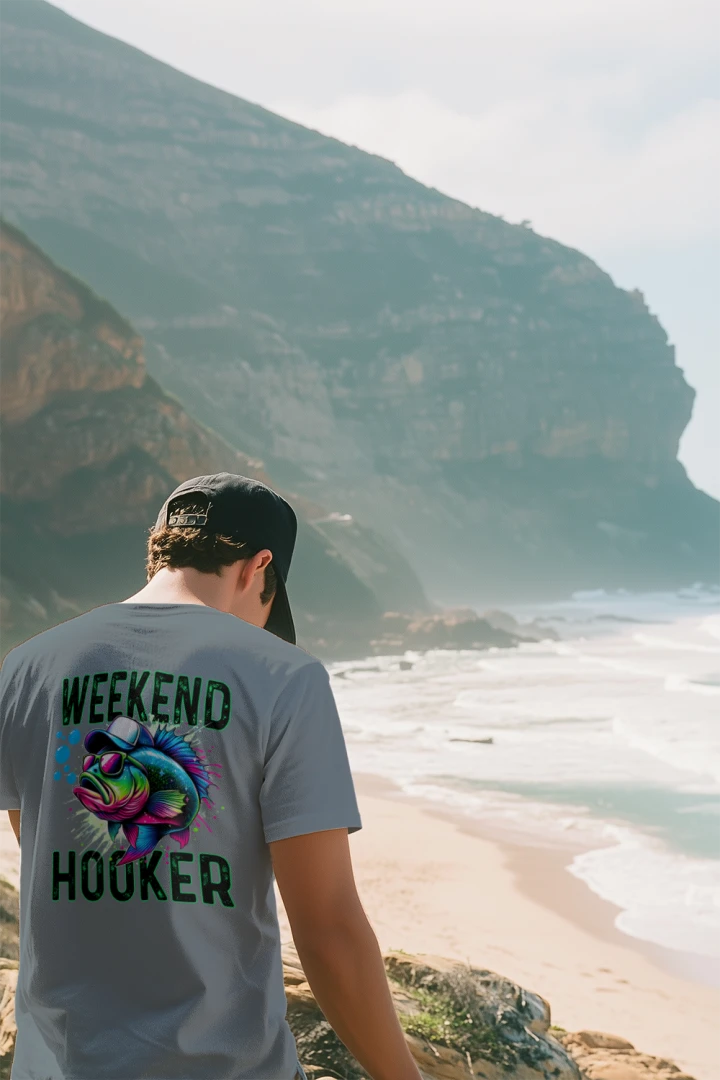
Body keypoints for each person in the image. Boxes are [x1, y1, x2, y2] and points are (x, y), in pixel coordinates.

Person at [0, 473, 422, 1080]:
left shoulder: (26, 668)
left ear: (158, 552)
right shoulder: (286, 678)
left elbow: (40, 841)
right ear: (258, 568)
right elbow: (327, 927)